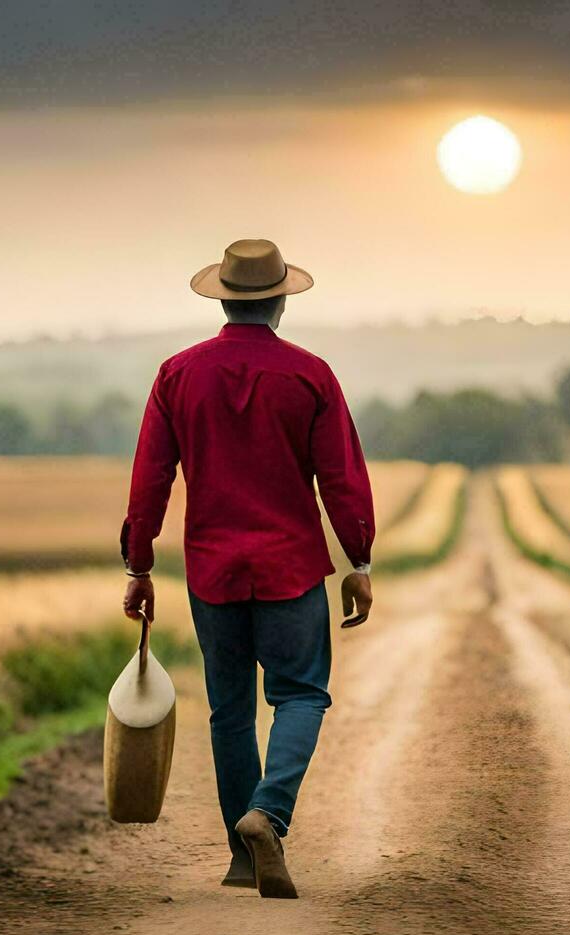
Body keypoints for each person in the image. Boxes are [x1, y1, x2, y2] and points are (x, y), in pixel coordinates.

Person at [120, 239, 375, 900]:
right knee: (300, 694)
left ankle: (241, 858)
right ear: (281, 300)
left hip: (213, 570)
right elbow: (340, 479)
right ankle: (269, 813)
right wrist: (360, 557)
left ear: (225, 298)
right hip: (290, 566)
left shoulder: (178, 374)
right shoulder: (311, 375)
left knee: (230, 711)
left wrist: (139, 565)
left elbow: (150, 479)